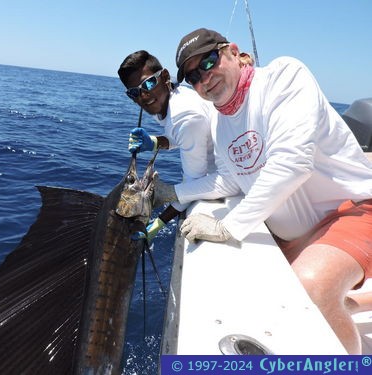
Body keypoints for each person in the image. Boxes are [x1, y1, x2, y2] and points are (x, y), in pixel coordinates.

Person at [153, 27, 372, 354]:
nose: (204, 78)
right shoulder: (219, 124)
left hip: (351, 212)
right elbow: (229, 180)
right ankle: (352, 302)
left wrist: (228, 226)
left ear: (232, 52)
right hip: (295, 236)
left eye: (209, 61)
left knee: (311, 288)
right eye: (193, 76)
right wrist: (174, 193)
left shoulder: (284, 75)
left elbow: (293, 162)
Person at [117, 50, 216, 241]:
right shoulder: (167, 99)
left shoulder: (185, 116)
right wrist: (153, 142)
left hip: (230, 180)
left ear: (164, 76)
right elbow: (179, 136)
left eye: (148, 83)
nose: (143, 95)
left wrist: (158, 224)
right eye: (134, 92)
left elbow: (194, 186)